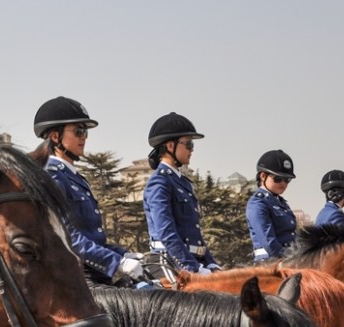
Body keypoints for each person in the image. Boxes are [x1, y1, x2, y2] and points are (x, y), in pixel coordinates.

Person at [32, 97, 145, 286]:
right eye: (78, 131)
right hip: (76, 280)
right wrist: (118, 262)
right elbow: (68, 238)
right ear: (55, 137)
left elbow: (94, 238)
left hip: (98, 275)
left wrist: (123, 254)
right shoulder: (52, 177)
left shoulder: (75, 177)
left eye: (84, 132)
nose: (84, 137)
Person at [143, 112, 221, 274]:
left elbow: (194, 233)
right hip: (170, 263)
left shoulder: (183, 182)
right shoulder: (160, 182)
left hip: (192, 260)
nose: (192, 149)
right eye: (188, 144)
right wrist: (191, 268)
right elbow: (166, 232)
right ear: (170, 146)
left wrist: (211, 263)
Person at [246, 150, 298, 262]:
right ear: (263, 176)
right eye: (278, 179)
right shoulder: (257, 203)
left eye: (287, 179)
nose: (283, 183)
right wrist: (289, 259)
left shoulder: (281, 202)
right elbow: (268, 241)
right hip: (269, 263)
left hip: (288, 260)